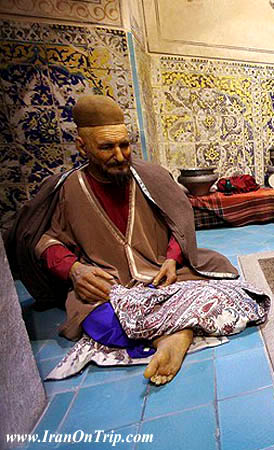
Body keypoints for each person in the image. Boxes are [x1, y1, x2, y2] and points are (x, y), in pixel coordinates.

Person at [5, 95, 245, 385]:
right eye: (107, 147)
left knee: (221, 276)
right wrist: (74, 270)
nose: (119, 156)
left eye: (124, 144)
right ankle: (176, 332)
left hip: (162, 273)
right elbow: (45, 240)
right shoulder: (69, 189)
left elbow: (178, 222)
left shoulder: (150, 177)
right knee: (96, 319)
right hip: (109, 286)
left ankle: (171, 331)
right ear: (82, 146)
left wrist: (172, 258)